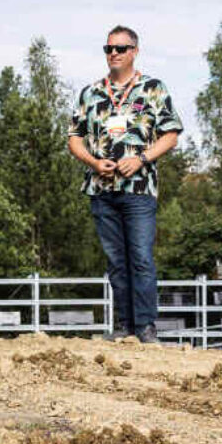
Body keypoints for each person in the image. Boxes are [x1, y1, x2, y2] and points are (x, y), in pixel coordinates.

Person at [66, 26, 183, 342]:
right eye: (108, 48)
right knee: (116, 262)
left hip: (139, 189)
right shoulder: (90, 93)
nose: (113, 54)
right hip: (101, 190)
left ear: (134, 51)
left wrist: (141, 159)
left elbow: (170, 135)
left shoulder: (153, 89)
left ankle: (146, 326)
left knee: (141, 258)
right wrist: (93, 162)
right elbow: (74, 138)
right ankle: (123, 327)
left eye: (120, 48)